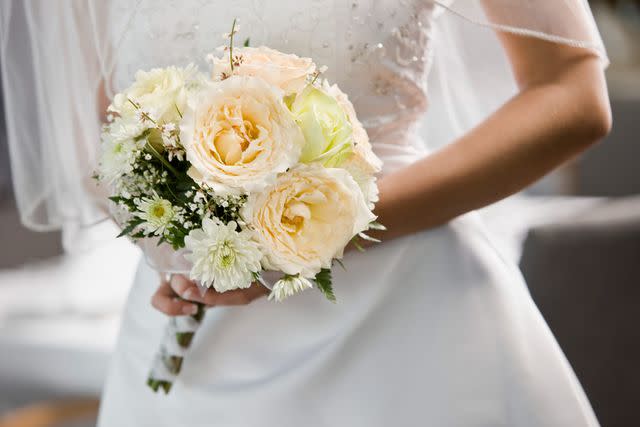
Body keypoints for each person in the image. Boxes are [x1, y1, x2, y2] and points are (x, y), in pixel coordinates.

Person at [1, 1, 610, 425]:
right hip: (193, 340)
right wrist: (176, 246)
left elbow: (573, 94)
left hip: (413, 322)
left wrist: (325, 231)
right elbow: (97, 129)